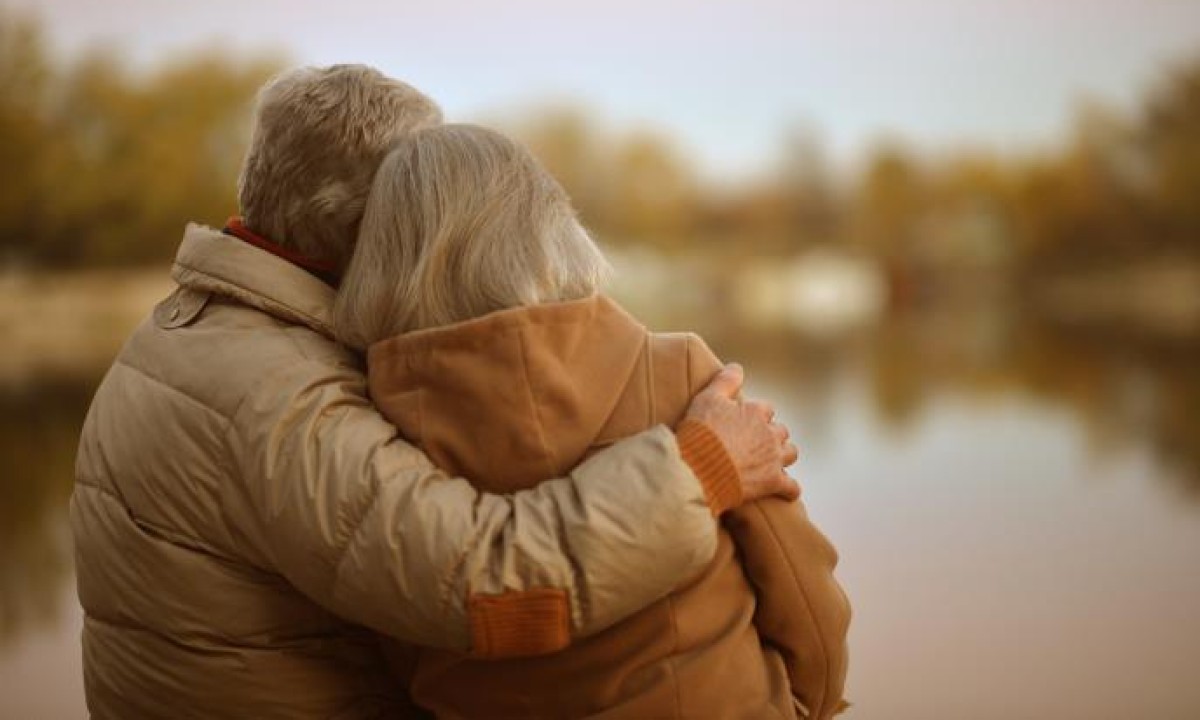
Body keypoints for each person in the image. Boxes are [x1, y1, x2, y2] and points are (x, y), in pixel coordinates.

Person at [70, 65, 800, 718]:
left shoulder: (193, 332)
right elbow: (485, 587)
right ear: (378, 220)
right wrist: (702, 466)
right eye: (419, 189)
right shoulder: (273, 395)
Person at [333, 123, 850, 719]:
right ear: (544, 227)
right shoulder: (680, 375)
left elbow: (402, 639)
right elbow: (804, 595)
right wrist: (804, 703)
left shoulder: (372, 426)